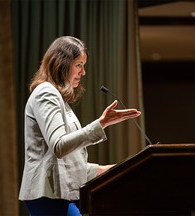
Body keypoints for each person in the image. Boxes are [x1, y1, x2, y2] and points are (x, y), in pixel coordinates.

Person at [18, 36, 141, 216]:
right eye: (79, 65)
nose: (83, 72)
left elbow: (66, 159)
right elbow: (59, 146)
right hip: (49, 195)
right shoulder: (46, 93)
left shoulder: (58, 97)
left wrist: (114, 169)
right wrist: (101, 123)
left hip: (60, 193)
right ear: (61, 64)